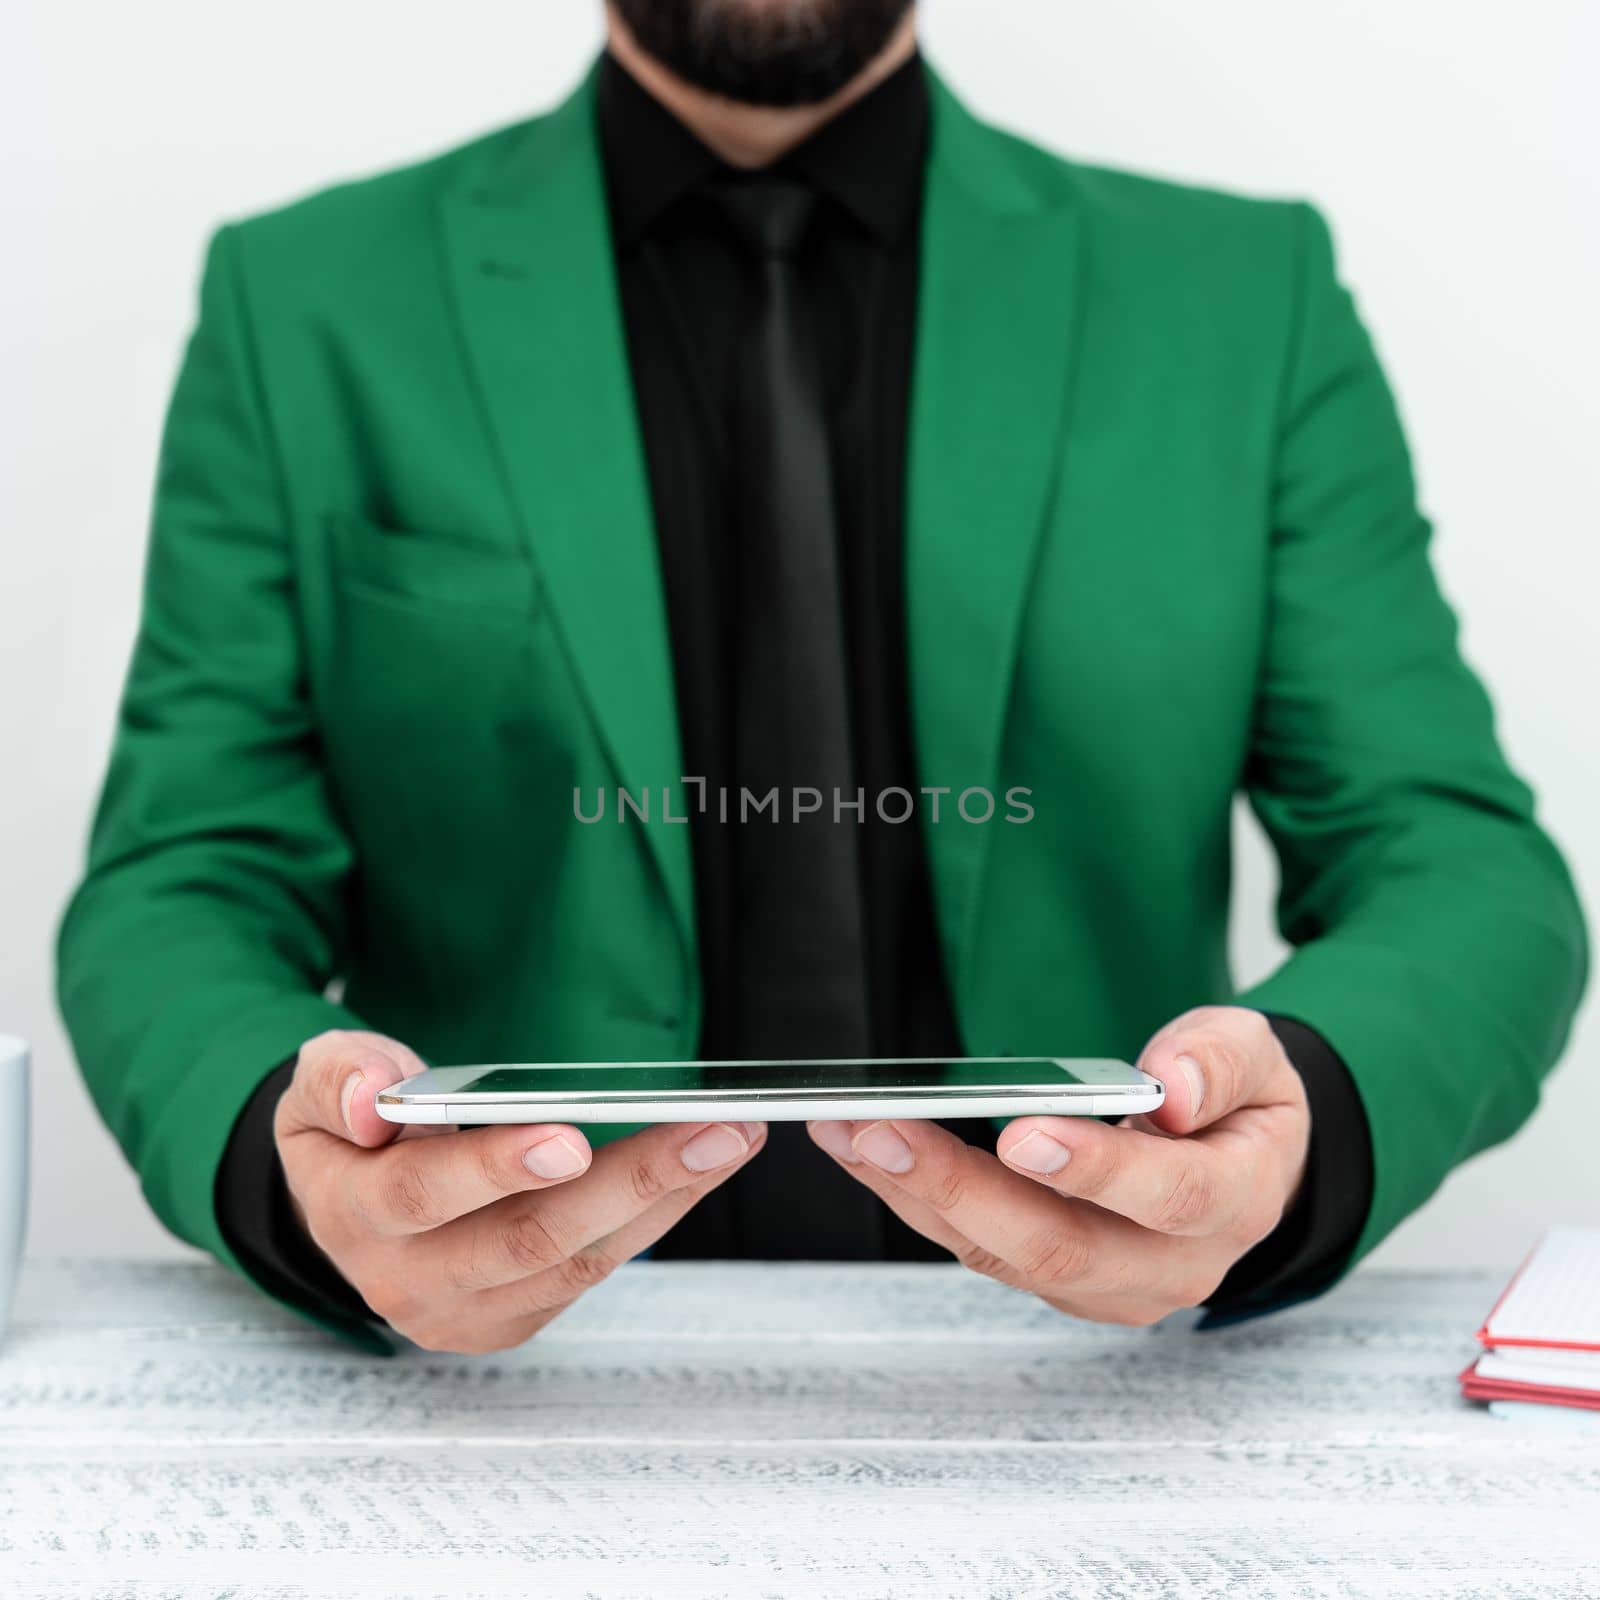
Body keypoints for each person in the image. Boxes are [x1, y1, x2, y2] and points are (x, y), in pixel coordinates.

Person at [58, 0, 1586, 1355]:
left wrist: (1297, 1125)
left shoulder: (1245, 298)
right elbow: (178, 882)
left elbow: (1454, 864)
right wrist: (285, 1161)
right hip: (511, 1398)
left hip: (1093, 1388)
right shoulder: (305, 303)